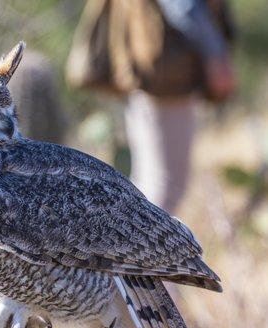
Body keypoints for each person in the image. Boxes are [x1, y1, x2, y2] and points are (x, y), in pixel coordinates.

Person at [66, 0, 235, 213]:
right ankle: (133, 245)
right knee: (166, 190)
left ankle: (122, 242)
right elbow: (183, 6)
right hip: (167, 81)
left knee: (149, 184)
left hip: (152, 75)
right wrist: (215, 55)